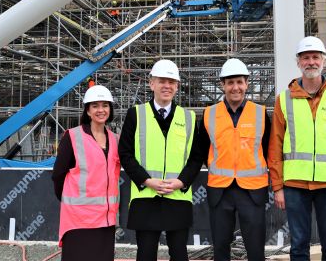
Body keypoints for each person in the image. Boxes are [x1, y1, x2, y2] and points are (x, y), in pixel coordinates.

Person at [267, 36, 326, 261]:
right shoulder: (284, 100)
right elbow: (275, 147)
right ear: (299, 62)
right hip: (294, 185)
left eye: (315, 57)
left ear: (324, 61)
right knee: (298, 247)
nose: (311, 62)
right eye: (306, 57)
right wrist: (278, 186)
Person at [118, 59, 203, 261]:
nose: (167, 86)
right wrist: (147, 181)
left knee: (179, 254)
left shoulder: (189, 117)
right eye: (162, 80)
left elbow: (196, 158)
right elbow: (125, 154)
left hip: (177, 196)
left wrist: (180, 182)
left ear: (177, 86)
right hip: (146, 195)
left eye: (171, 81)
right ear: (151, 83)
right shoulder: (136, 115)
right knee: (146, 254)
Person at [199, 58, 271, 261]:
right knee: (220, 248)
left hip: (253, 192)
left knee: (256, 250)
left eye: (239, 82)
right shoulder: (208, 114)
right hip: (220, 191)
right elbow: (203, 151)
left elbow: (268, 150)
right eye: (230, 82)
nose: (235, 87)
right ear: (222, 85)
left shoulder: (261, 114)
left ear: (247, 83)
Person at [52, 85, 120, 261]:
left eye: (105, 105)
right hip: (79, 220)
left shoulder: (115, 139)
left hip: (105, 219)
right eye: (95, 106)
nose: (101, 110)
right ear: (88, 111)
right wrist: (67, 198)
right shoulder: (73, 136)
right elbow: (58, 174)